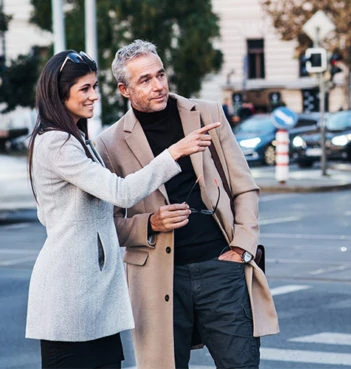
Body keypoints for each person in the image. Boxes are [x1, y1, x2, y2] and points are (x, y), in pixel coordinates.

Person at [25, 50, 218, 369]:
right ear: (60, 93)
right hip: (71, 294)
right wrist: (175, 152)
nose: (94, 96)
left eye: (95, 86)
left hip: (92, 292)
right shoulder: (56, 144)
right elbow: (121, 191)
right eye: (85, 89)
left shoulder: (76, 140)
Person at [95, 40, 279, 369]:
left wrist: (241, 248)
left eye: (161, 75)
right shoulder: (109, 143)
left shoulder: (207, 114)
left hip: (221, 266)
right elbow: (106, 223)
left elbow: (245, 186)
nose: (159, 86)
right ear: (124, 89)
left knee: (242, 364)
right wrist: (150, 223)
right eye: (146, 80)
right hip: (155, 278)